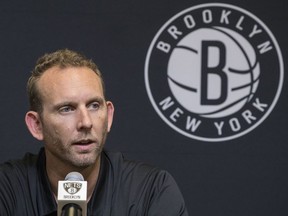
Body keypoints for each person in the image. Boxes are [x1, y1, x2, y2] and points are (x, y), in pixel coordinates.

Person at [0, 49, 188, 216]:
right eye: (67, 108)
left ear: (109, 116)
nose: (86, 122)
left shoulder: (151, 190)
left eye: (94, 106)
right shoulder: (7, 188)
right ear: (37, 125)